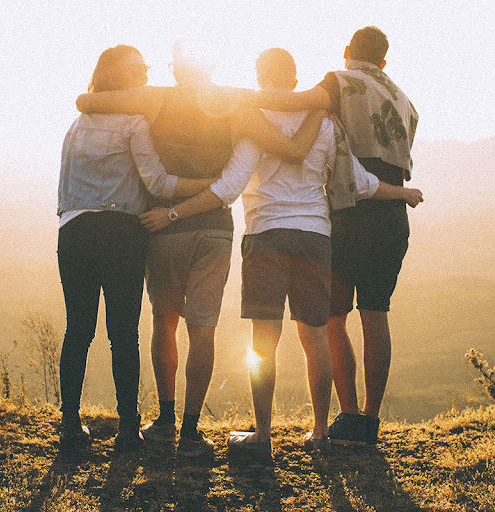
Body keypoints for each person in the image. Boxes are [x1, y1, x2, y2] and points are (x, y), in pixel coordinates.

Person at [140, 47, 422, 456]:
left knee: (263, 341)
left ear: (259, 77)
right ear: (294, 81)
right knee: (315, 338)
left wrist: (173, 212)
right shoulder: (324, 123)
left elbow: (229, 188)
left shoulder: (254, 121)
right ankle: (321, 432)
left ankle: (262, 436)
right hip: (315, 238)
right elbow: (359, 181)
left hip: (266, 236)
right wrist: (403, 192)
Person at [75, 40, 325, 457]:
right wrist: (319, 105)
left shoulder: (154, 99)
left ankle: (166, 419)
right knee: (203, 328)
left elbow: (87, 101)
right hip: (214, 228)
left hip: (163, 225)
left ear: (175, 70)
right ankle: (191, 431)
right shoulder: (234, 104)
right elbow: (289, 147)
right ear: (212, 66)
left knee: (164, 321)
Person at [232, 28, 420, 446]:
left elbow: (295, 103)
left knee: (331, 320)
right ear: (384, 62)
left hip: (349, 211)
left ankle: (346, 417)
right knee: (376, 314)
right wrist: (404, 193)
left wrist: (233, 98)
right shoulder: (405, 101)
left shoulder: (339, 82)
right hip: (390, 212)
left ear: (348, 52)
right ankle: (368, 422)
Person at [57, 45, 216, 452]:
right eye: (138, 69)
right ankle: (129, 428)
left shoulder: (77, 124)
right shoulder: (134, 122)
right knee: (123, 333)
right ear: (120, 77)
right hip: (122, 233)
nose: (145, 74)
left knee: (78, 329)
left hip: (74, 230)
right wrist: (209, 187)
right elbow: (158, 184)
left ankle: (70, 426)